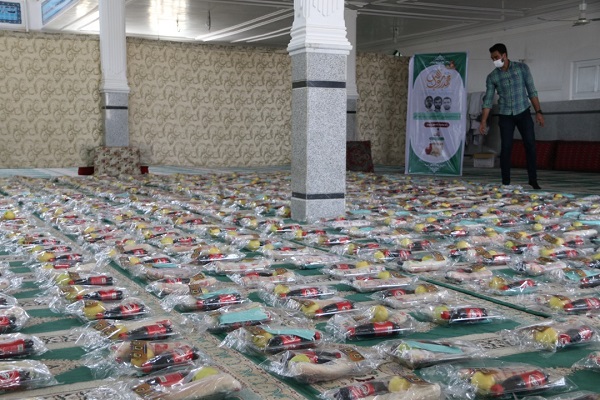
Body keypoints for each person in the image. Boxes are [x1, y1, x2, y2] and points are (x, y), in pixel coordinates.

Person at [479, 43, 544, 190]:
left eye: (496, 57)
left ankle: (533, 180)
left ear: (504, 55)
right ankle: (506, 182)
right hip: (505, 115)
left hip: (523, 112)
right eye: (492, 58)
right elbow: (488, 100)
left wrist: (539, 112)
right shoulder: (492, 76)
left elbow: (532, 91)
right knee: (506, 148)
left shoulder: (522, 68)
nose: (494, 60)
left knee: (530, 145)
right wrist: (483, 121)